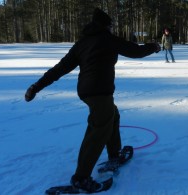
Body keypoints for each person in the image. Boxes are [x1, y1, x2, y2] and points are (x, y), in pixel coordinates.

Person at [24, 8, 160, 193]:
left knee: (113, 114)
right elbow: (135, 51)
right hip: (99, 92)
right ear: (106, 26)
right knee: (98, 131)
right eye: (111, 25)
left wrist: (36, 86)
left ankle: (114, 154)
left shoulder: (82, 43)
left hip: (88, 91)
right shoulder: (107, 39)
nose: (112, 29)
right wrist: (154, 46)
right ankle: (81, 178)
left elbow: (60, 68)